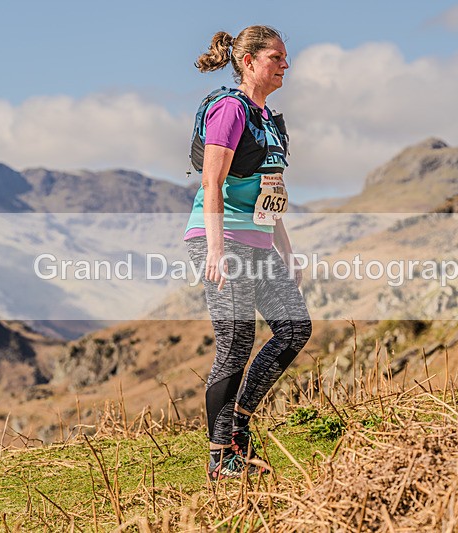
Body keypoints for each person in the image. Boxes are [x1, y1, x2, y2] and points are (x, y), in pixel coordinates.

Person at [183, 26, 312, 480]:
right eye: (276, 56)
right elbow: (211, 182)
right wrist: (216, 249)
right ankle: (222, 458)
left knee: (295, 328)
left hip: (259, 243)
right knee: (235, 344)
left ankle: (238, 424)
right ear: (249, 61)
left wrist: (288, 252)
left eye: (284, 57)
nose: (285, 65)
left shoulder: (268, 119)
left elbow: (269, 195)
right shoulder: (229, 110)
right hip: (221, 240)